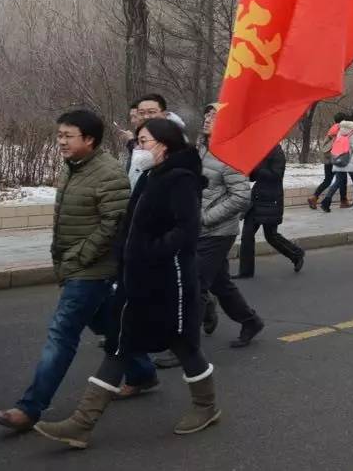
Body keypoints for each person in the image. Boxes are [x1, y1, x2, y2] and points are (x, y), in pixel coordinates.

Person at [33, 117, 220, 449]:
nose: (139, 147)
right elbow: (132, 223)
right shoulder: (150, 176)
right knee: (120, 343)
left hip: (170, 281)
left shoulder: (181, 180)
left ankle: (206, 407)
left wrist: (149, 252)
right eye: (137, 141)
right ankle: (81, 423)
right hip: (137, 279)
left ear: (164, 144)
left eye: (144, 141)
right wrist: (124, 253)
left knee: (183, 345)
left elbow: (187, 232)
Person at [0, 111, 156, 433]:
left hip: (92, 269)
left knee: (61, 334)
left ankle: (30, 408)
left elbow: (114, 224)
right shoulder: (74, 168)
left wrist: (79, 258)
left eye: (68, 136)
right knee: (108, 323)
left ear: (89, 139)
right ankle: (142, 372)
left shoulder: (108, 174)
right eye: (59, 135)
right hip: (76, 265)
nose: (61, 142)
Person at [157, 103, 261, 361]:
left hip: (217, 232)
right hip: (195, 228)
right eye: (207, 113)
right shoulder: (200, 148)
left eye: (215, 115)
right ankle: (250, 320)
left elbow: (241, 198)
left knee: (193, 286)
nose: (207, 118)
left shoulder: (232, 154)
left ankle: (183, 347)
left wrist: (204, 217)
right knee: (220, 283)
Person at [235, 144, 305, 278]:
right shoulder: (260, 149)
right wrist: (248, 169)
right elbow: (254, 177)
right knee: (247, 236)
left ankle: (296, 254)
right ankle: (246, 271)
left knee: (271, 236)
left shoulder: (277, 151)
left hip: (271, 199)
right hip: (256, 199)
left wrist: (257, 167)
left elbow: (277, 175)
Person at [321, 113, 353, 211]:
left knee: (338, 181)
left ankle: (326, 202)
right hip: (350, 158)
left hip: (339, 157)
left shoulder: (341, 128)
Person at [308, 112, 349, 209]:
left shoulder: (332, 128)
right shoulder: (341, 129)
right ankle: (343, 201)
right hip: (336, 156)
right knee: (343, 179)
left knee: (328, 180)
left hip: (328, 156)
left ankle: (314, 197)